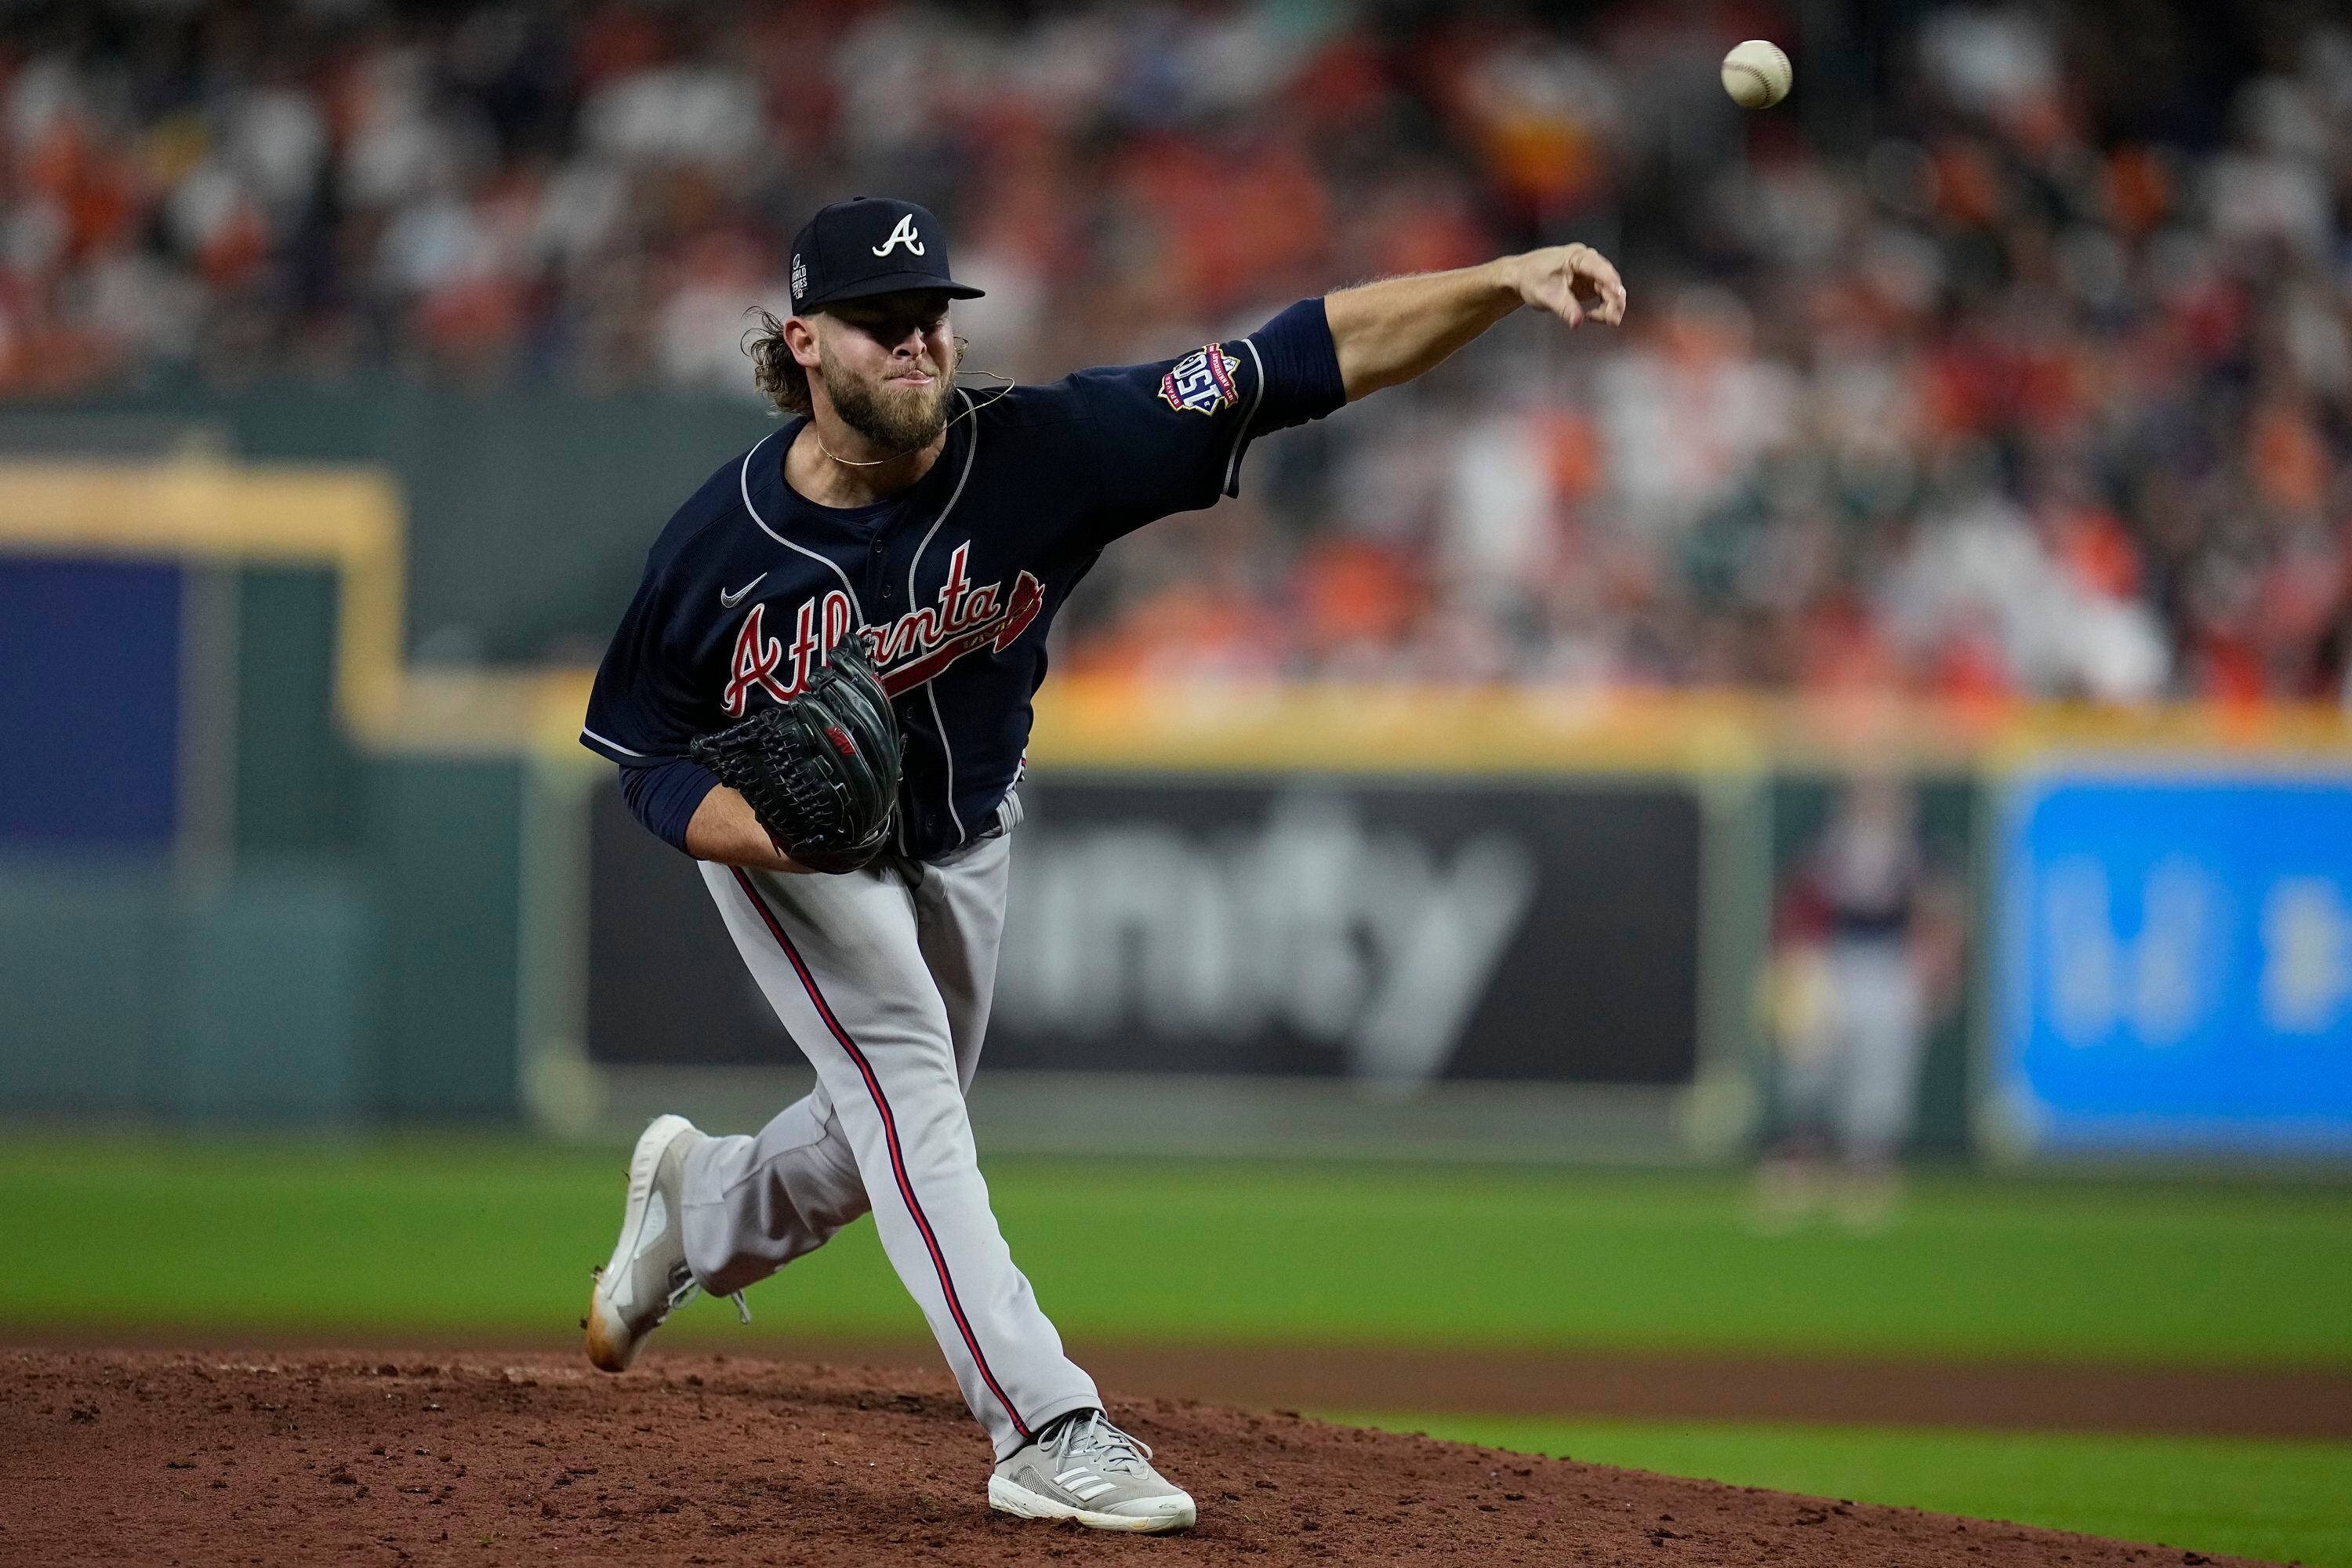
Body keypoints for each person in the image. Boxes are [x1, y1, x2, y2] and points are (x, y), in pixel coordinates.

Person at [577, 194, 1626, 1533]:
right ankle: (1045, 1423)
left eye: (932, 321)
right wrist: (763, 832)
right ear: (805, 343)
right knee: (910, 1094)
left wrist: (1497, 279)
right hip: (793, 858)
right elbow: (646, 754)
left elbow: (1294, 360)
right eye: (880, 325)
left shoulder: (1047, 450)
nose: (918, 346)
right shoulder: (712, 550)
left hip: (965, 834)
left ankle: (698, 1204)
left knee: (877, 1139)